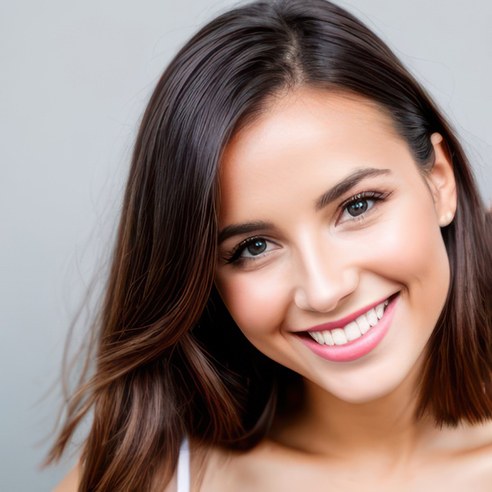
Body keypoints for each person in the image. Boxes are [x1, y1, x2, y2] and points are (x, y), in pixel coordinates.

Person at [50, 0, 492, 490]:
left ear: (439, 182)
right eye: (255, 247)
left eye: (359, 206)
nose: (324, 290)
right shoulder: (150, 477)